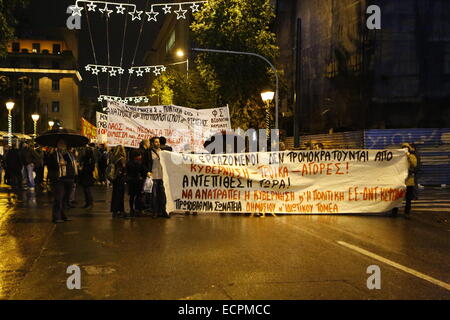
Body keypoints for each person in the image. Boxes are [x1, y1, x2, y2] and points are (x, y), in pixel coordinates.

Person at [46, 139, 77, 223]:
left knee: (66, 199)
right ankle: (56, 217)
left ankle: (63, 215)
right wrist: (58, 164)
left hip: (69, 179)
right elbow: (49, 165)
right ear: (57, 145)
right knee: (59, 198)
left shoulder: (70, 154)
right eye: (60, 144)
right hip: (59, 179)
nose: (62, 146)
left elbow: (72, 164)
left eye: (64, 144)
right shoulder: (54, 155)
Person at [391, 143, 419, 217]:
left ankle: (407, 211)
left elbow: (414, 164)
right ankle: (394, 212)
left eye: (406, 148)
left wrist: (408, 155)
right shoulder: (399, 157)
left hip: (409, 181)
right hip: (400, 180)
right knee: (397, 197)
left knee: (408, 198)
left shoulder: (412, 156)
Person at [149, 137, 169, 218]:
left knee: (163, 195)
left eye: (158, 142)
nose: (158, 143)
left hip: (162, 176)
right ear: (152, 143)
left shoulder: (163, 152)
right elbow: (145, 163)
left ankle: (163, 211)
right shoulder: (149, 152)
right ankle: (155, 212)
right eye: (156, 142)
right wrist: (147, 171)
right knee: (154, 195)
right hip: (153, 176)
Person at [126, 150, 147, 217]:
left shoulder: (128, 163)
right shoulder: (139, 163)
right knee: (139, 196)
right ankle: (139, 209)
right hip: (138, 181)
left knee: (132, 196)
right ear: (136, 156)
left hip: (131, 181)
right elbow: (144, 171)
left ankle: (131, 209)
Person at [109, 145, 127, 218]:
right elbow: (121, 169)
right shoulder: (121, 159)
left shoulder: (113, 158)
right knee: (119, 196)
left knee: (115, 195)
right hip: (120, 179)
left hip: (115, 179)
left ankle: (115, 211)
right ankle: (119, 211)